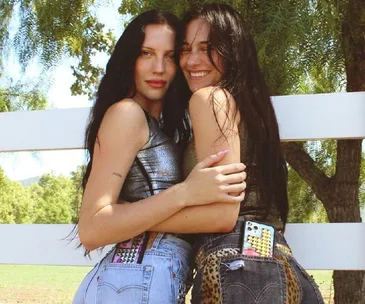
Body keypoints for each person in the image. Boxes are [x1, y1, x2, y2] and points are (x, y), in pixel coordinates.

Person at [72, 9, 247, 304]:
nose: (159, 68)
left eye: (169, 56)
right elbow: (91, 228)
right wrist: (186, 193)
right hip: (133, 277)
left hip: (145, 276)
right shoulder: (126, 114)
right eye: (146, 53)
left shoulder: (166, 128)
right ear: (130, 59)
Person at [179, 3, 325, 304]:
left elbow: (222, 216)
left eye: (207, 48)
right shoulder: (252, 109)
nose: (192, 60)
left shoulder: (210, 98)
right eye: (184, 49)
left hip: (238, 270)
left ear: (231, 50)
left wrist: (140, 218)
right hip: (278, 261)